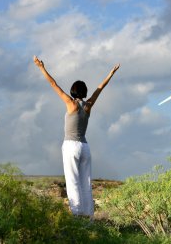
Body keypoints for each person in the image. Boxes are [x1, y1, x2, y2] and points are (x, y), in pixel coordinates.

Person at [33, 56, 120, 219]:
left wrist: (41, 68)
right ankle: (89, 217)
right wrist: (111, 73)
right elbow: (100, 88)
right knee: (85, 183)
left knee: (72, 181)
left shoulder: (71, 104)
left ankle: (77, 216)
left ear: (73, 91)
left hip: (71, 146)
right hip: (85, 147)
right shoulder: (88, 106)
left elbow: (54, 84)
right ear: (84, 92)